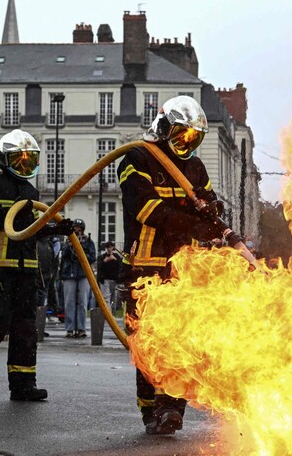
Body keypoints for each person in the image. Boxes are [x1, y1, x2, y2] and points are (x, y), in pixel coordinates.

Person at [118, 95, 252, 435]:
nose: (186, 144)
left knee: (181, 337)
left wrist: (212, 211)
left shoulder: (194, 167)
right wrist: (194, 224)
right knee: (149, 340)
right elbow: (146, 210)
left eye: (194, 138)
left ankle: (171, 408)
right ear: (163, 127)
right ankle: (151, 409)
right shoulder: (137, 158)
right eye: (181, 135)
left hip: (184, 266)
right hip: (145, 264)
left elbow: (206, 202)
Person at [0, 129, 74, 402]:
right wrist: (11, 215)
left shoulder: (29, 190)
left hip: (27, 271)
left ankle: (23, 384)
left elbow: (30, 228)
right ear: (4, 159)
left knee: (26, 328)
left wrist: (57, 228)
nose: (25, 166)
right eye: (19, 160)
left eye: (29, 161)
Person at [59, 220, 95, 338]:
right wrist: (69, 246)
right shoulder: (67, 242)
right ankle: (69, 329)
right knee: (69, 302)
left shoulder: (88, 242)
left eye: (79, 229)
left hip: (83, 274)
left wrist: (82, 249)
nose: (77, 231)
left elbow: (92, 257)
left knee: (82, 302)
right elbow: (63, 256)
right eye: (75, 228)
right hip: (69, 274)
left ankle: (81, 328)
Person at [96, 242, 123, 314]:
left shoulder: (116, 256)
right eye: (108, 247)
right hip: (105, 280)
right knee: (106, 298)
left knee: (114, 298)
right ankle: (109, 314)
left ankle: (112, 313)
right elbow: (99, 267)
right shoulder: (102, 257)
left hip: (114, 280)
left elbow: (120, 267)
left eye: (110, 247)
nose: (109, 249)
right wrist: (105, 261)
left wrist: (115, 259)